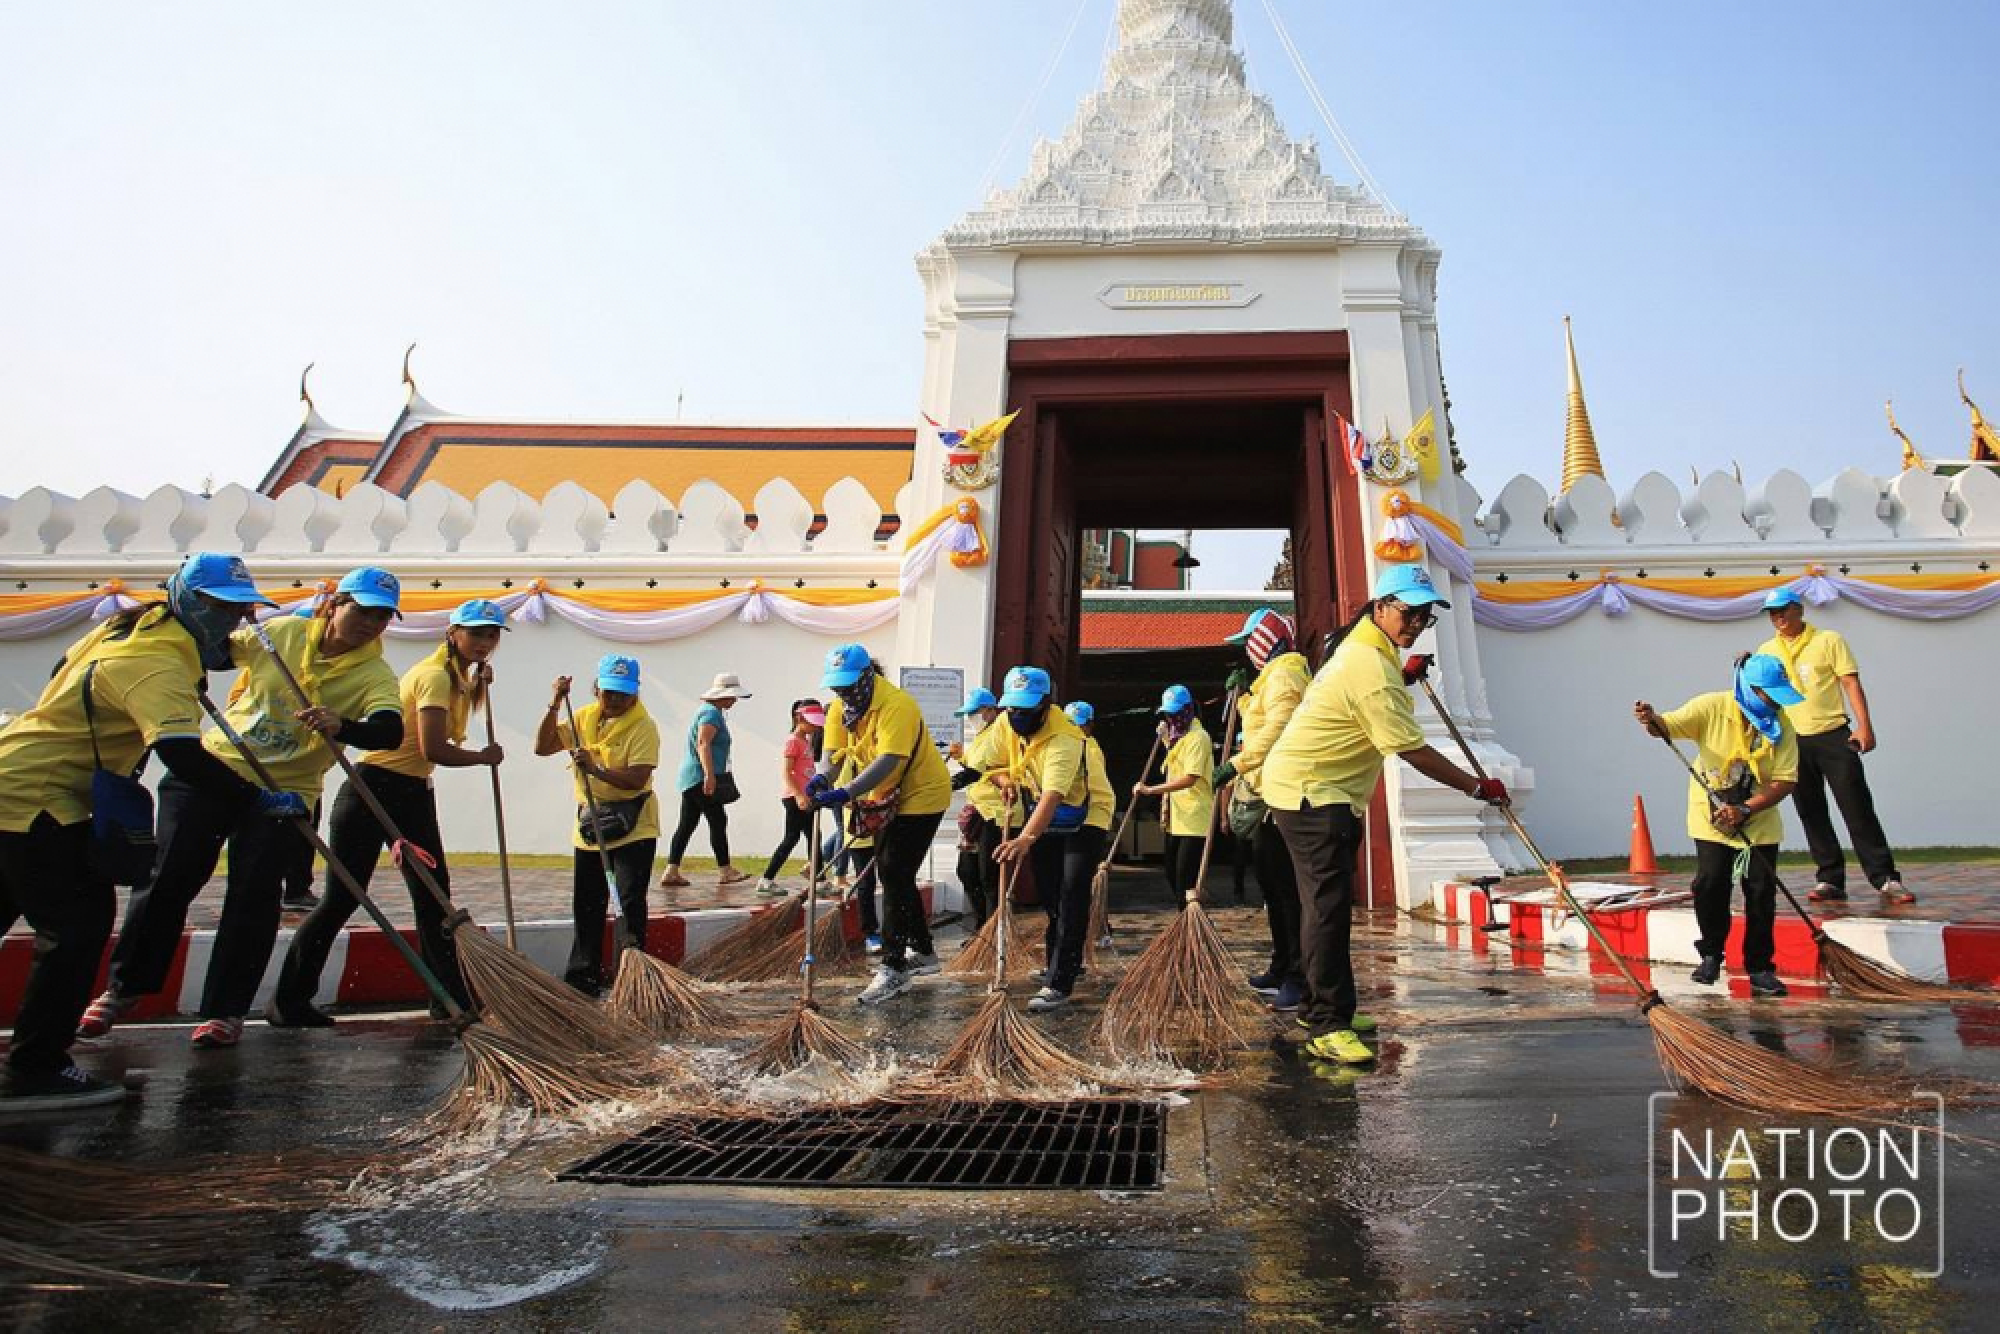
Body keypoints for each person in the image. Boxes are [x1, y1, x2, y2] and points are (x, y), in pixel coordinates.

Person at [85, 566, 406, 1050]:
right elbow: (212, 653)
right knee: (169, 879)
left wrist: (343, 725)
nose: (370, 624)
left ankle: (225, 1009)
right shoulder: (278, 633)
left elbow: (388, 730)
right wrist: (229, 618)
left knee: (253, 898)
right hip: (218, 767)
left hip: (285, 789)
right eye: (362, 610)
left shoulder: (374, 672)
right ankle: (124, 989)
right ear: (334, 604)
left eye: (382, 617)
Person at [0, 554, 273, 1110]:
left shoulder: (126, 630)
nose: (231, 622)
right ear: (189, 602)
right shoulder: (157, 664)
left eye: (239, 610)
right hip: (44, 799)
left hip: (15, 775)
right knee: (75, 929)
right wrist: (256, 798)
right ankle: (35, 1067)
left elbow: (59, 669)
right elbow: (181, 755)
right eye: (219, 609)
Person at [1264, 566, 1507, 1066]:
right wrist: (1475, 786)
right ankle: (1328, 1023)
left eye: (1424, 616)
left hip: (1313, 789)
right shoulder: (1369, 666)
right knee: (1326, 910)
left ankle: (1320, 1008)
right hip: (1314, 794)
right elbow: (1412, 750)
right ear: (1379, 607)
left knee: (1322, 908)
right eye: (1407, 611)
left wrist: (1405, 674)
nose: (1415, 623)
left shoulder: (1366, 649)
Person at [270, 598, 510, 1026]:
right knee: (345, 898)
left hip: (411, 791)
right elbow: (432, 748)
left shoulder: (456, 678)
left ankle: (448, 999)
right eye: (476, 633)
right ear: (453, 632)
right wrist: (482, 757)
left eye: (492, 635)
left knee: (433, 896)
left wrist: (480, 686)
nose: (485, 642)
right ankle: (289, 1001)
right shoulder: (435, 676)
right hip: (375, 789)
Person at [1634, 653, 1803, 998]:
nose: (1773, 703)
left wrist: (1745, 808)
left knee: (1759, 890)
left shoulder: (1782, 727)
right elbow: (1666, 728)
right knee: (1710, 884)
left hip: (1758, 818)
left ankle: (1759, 967)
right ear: (1749, 690)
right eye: (1768, 695)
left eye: (1777, 696)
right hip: (1711, 817)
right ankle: (1711, 954)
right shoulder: (1711, 707)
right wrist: (1650, 719)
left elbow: (1785, 781)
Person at [809, 645, 950, 1005]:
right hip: (886, 793)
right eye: (836, 687)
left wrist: (846, 792)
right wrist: (822, 778)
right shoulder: (844, 707)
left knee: (893, 871)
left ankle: (894, 967)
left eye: (848, 685)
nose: (842, 693)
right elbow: (832, 753)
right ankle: (924, 952)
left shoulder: (896, 705)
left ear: (867, 676)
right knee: (895, 874)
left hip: (922, 794)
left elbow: (890, 759)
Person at [1757, 589, 1910, 905]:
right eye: (1772, 613)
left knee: (1856, 807)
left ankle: (1885, 878)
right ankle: (1829, 878)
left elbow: (1850, 682)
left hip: (1833, 735)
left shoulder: (1828, 640)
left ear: (1798, 609)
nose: (1778, 618)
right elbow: (1762, 699)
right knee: (1810, 811)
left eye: (1783, 610)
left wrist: (1864, 725)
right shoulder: (1767, 650)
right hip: (1791, 742)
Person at [958, 670, 1099, 1013]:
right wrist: (944, 786)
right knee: (1051, 896)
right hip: (1044, 816)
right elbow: (981, 763)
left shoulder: (1065, 738)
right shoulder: (1007, 723)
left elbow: (1054, 795)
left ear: (1045, 704)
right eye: (1013, 708)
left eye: (1026, 709)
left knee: (1071, 893)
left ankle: (1060, 981)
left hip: (1085, 816)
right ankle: (1056, 961)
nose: (1018, 716)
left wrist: (1025, 837)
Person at [536, 655, 660, 996]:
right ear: (596, 690)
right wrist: (555, 703)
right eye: (609, 693)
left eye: (623, 694)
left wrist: (597, 769)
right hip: (591, 825)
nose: (616, 701)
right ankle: (582, 977)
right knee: (587, 903)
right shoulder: (583, 716)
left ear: (635, 693)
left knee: (628, 903)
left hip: (632, 826)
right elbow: (543, 746)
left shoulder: (643, 725)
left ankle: (630, 979)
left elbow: (637, 779)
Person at [1215, 608, 1313, 1012]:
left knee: (1290, 892)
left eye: (1248, 645)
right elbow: (1258, 725)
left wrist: (1235, 765)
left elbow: (1278, 729)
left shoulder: (1287, 674)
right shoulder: (1269, 679)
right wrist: (1243, 698)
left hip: (1289, 794)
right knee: (1273, 888)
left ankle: (1297, 975)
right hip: (1267, 793)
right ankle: (1280, 964)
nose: (1246, 655)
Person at [660, 672, 750, 889]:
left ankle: (671, 869)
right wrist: (709, 775)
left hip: (692, 777)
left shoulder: (709, 712)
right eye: (732, 696)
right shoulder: (710, 714)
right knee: (717, 820)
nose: (734, 701)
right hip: (700, 777)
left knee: (687, 823)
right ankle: (725, 869)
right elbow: (703, 743)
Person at [1132, 685, 1213, 899]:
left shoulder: (1198, 737)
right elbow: (1174, 764)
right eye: (1168, 713)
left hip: (1195, 818)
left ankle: (1190, 923)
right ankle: (1185, 919)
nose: (1172, 717)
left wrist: (1150, 790)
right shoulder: (1178, 737)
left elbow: (1190, 777)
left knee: (1185, 877)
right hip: (1176, 817)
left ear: (1187, 709)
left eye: (1175, 713)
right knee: (1171, 872)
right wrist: (1167, 740)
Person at [754, 699, 826, 897]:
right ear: (799, 718)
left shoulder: (807, 741)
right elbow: (787, 773)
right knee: (791, 838)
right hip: (795, 798)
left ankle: (819, 880)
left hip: (808, 796)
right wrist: (799, 795)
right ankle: (766, 879)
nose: (815, 726)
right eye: (811, 722)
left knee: (814, 836)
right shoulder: (793, 741)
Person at [948, 686, 1004, 929]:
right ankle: (983, 923)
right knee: (966, 870)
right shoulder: (981, 735)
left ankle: (992, 930)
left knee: (988, 875)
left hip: (995, 811)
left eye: (975, 713)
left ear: (991, 710)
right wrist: (961, 757)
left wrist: (957, 779)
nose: (971, 719)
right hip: (976, 811)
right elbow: (975, 764)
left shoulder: (1000, 732)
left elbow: (980, 769)